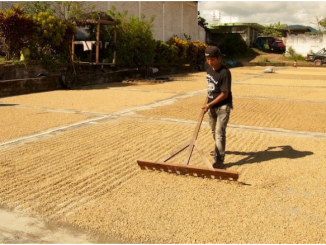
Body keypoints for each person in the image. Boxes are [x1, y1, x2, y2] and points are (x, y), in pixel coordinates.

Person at [201, 46, 233, 169]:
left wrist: (210, 104)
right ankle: (217, 148)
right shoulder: (207, 66)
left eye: (212, 59)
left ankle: (219, 159)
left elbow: (224, 94)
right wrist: (209, 100)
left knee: (220, 132)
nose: (210, 62)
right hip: (211, 105)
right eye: (208, 59)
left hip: (222, 106)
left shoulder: (225, 72)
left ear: (219, 58)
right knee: (214, 131)